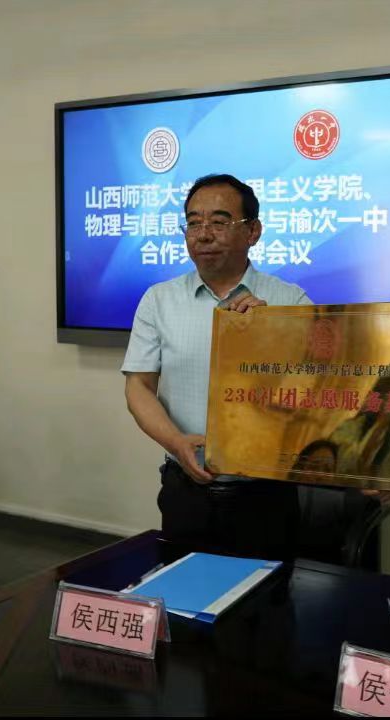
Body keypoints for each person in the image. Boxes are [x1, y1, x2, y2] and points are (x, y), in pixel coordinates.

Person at [122, 174, 311, 560]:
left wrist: (272, 332)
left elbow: (316, 394)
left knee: (268, 594)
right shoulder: (159, 300)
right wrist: (176, 443)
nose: (204, 235)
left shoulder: (291, 302)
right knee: (183, 590)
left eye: (219, 222)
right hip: (186, 490)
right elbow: (138, 386)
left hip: (266, 496)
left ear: (253, 231)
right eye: (194, 223)